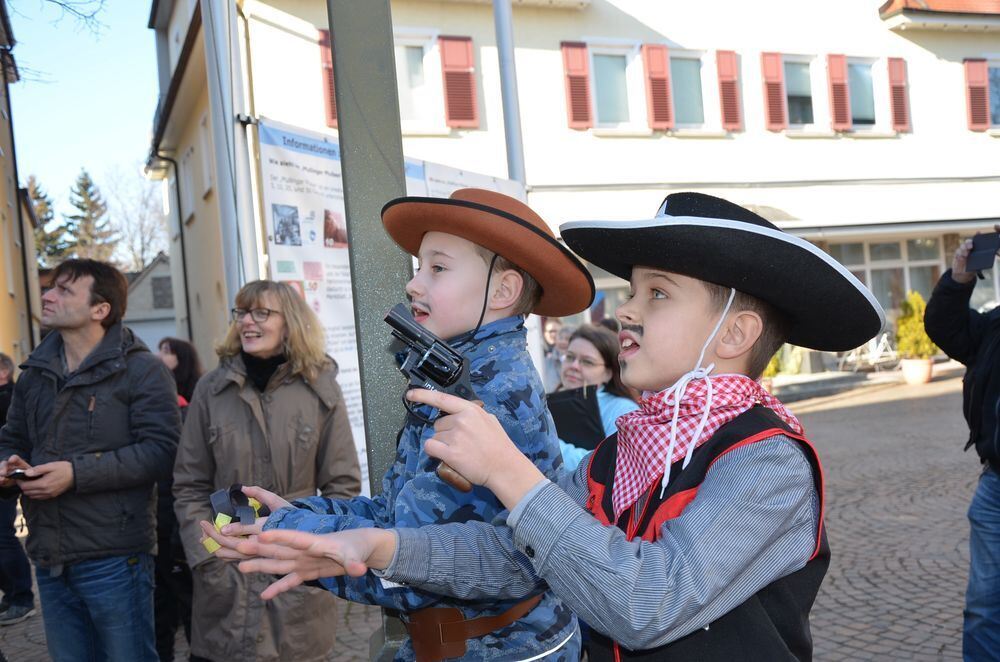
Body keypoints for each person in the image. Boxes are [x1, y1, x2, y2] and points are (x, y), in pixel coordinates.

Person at [230, 193, 885, 661]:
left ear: (734, 334)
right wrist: (370, 546)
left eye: (657, 294)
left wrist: (511, 475)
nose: (625, 310)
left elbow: (647, 604)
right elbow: (512, 553)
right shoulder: (624, 449)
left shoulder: (766, 463)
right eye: (633, 291)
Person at [204, 188, 595, 661]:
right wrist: (286, 519)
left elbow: (419, 564)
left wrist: (292, 534)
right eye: (418, 268)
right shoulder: (460, 376)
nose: (413, 286)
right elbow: (398, 519)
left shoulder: (487, 394)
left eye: (437, 268)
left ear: (503, 290)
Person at [0, 258, 180, 662]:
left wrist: (76, 474)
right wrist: (7, 465)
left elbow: (161, 453)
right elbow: (11, 438)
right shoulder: (34, 374)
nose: (47, 295)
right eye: (50, 287)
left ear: (101, 310)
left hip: (116, 556)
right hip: (49, 556)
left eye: (64, 290)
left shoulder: (142, 371)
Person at [173, 280, 361, 662]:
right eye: (242, 313)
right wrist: (208, 555)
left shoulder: (320, 388)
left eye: (261, 313)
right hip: (225, 576)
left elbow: (342, 486)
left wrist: (310, 551)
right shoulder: (212, 389)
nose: (247, 322)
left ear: (289, 322)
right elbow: (189, 485)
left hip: (296, 575)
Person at [924, 228, 1000, 661]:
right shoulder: (996, 325)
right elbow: (945, 327)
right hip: (996, 489)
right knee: (985, 609)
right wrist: (959, 278)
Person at [154, 337, 203, 661]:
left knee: (189, 607)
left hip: (182, 522)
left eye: (168, 351)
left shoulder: (197, 401)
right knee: (161, 610)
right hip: (160, 519)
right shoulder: (160, 405)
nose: (161, 356)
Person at [550, 324, 638, 470]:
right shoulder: (548, 401)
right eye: (570, 357)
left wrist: (547, 444)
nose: (574, 366)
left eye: (587, 362)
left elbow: (604, 466)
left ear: (609, 373)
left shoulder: (624, 411)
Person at [0, 352, 35, 627]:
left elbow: (12, 439)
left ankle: (21, 597)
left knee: (3, 536)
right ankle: (12, 594)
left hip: (5, 480)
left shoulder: (10, 397)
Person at [542, 317, 564, 392]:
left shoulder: (567, 353)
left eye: (556, 331)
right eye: (550, 331)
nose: (553, 334)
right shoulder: (539, 353)